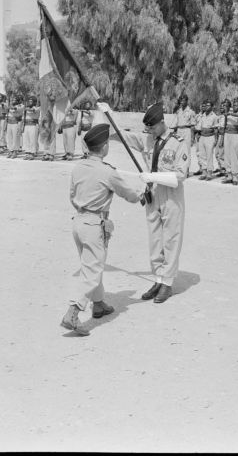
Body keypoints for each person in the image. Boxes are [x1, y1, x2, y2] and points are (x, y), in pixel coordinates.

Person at [61, 123, 145, 336]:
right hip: (94, 224)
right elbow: (129, 194)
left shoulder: (79, 167)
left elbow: (72, 195)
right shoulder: (107, 172)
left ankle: (98, 304)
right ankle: (73, 311)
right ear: (105, 146)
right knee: (92, 269)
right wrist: (142, 193)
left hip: (78, 221)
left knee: (90, 264)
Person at [103, 101, 190, 304]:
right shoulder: (148, 140)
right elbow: (122, 135)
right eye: (146, 128)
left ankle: (167, 283)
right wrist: (108, 113)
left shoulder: (179, 142)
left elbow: (179, 176)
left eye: (151, 127)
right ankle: (158, 279)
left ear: (161, 122)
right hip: (152, 196)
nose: (148, 131)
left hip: (171, 196)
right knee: (155, 240)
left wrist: (152, 177)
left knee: (171, 239)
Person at [194, 100, 218, 180]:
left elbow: (216, 129)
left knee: (209, 155)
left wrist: (216, 139)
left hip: (210, 137)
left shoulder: (214, 116)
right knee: (202, 155)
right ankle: (204, 172)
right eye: (206, 105)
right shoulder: (203, 115)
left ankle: (209, 173)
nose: (207, 107)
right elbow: (199, 126)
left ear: (212, 107)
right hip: (202, 136)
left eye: (208, 105)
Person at [172, 94, 196, 173]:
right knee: (178, 149)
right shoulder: (178, 111)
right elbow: (176, 123)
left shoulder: (191, 112)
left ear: (187, 101)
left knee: (187, 150)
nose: (182, 102)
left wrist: (192, 138)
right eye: (180, 100)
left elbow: (192, 126)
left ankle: (187, 169)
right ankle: (179, 168)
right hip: (179, 130)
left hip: (187, 130)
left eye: (183, 100)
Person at [221, 99, 238, 185]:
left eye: (236, 105)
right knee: (227, 155)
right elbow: (225, 125)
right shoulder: (228, 114)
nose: (234, 107)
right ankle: (229, 174)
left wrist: (229, 113)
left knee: (234, 155)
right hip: (227, 134)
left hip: (235, 135)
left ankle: (235, 175)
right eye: (233, 105)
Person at [22, 96, 40, 160]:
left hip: (33, 125)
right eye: (29, 101)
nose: (29, 102)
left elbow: (32, 110)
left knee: (33, 139)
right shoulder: (26, 108)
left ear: (34, 102)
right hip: (27, 125)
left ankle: (33, 153)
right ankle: (28, 152)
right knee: (27, 139)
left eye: (31, 101)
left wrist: (25, 108)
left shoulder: (37, 108)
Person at [214, 101, 227, 177]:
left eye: (223, 107)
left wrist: (222, 138)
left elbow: (223, 128)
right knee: (217, 153)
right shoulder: (220, 116)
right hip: (218, 135)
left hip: (222, 135)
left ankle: (223, 169)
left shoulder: (226, 116)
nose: (221, 108)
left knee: (221, 153)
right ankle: (220, 167)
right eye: (221, 107)